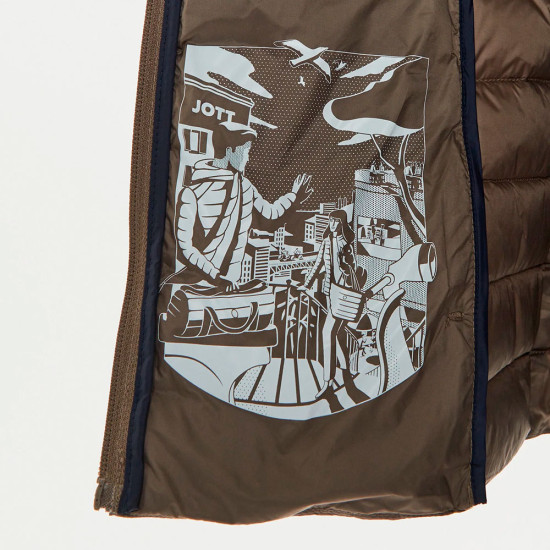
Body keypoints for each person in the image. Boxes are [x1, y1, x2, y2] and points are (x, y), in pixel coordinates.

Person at [173, 120, 313, 290]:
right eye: (245, 151)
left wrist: (294, 196)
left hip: (233, 285)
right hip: (201, 284)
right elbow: (185, 246)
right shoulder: (191, 193)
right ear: (229, 151)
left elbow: (269, 214)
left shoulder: (244, 186)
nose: (247, 159)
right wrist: (216, 277)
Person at [302, 209, 360, 399]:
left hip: (343, 295)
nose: (332, 224)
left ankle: (327, 382)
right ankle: (346, 371)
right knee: (336, 334)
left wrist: (346, 262)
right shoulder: (327, 241)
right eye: (331, 221)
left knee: (327, 333)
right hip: (330, 293)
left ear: (342, 224)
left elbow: (351, 267)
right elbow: (318, 264)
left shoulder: (346, 243)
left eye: (336, 221)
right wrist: (306, 284)